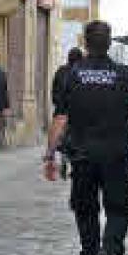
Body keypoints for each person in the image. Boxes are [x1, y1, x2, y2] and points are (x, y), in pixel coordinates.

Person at [43, 21, 128, 255]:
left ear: (85, 43)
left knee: (86, 213)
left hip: (82, 156)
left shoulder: (72, 75)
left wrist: (50, 154)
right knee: (119, 212)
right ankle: (109, 254)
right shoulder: (125, 75)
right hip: (116, 155)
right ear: (109, 42)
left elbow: (60, 118)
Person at [51, 47, 84, 179]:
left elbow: (54, 90)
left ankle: (64, 157)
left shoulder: (61, 71)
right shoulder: (82, 72)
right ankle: (74, 163)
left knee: (62, 137)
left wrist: (58, 104)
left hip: (62, 110)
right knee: (77, 138)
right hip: (78, 112)